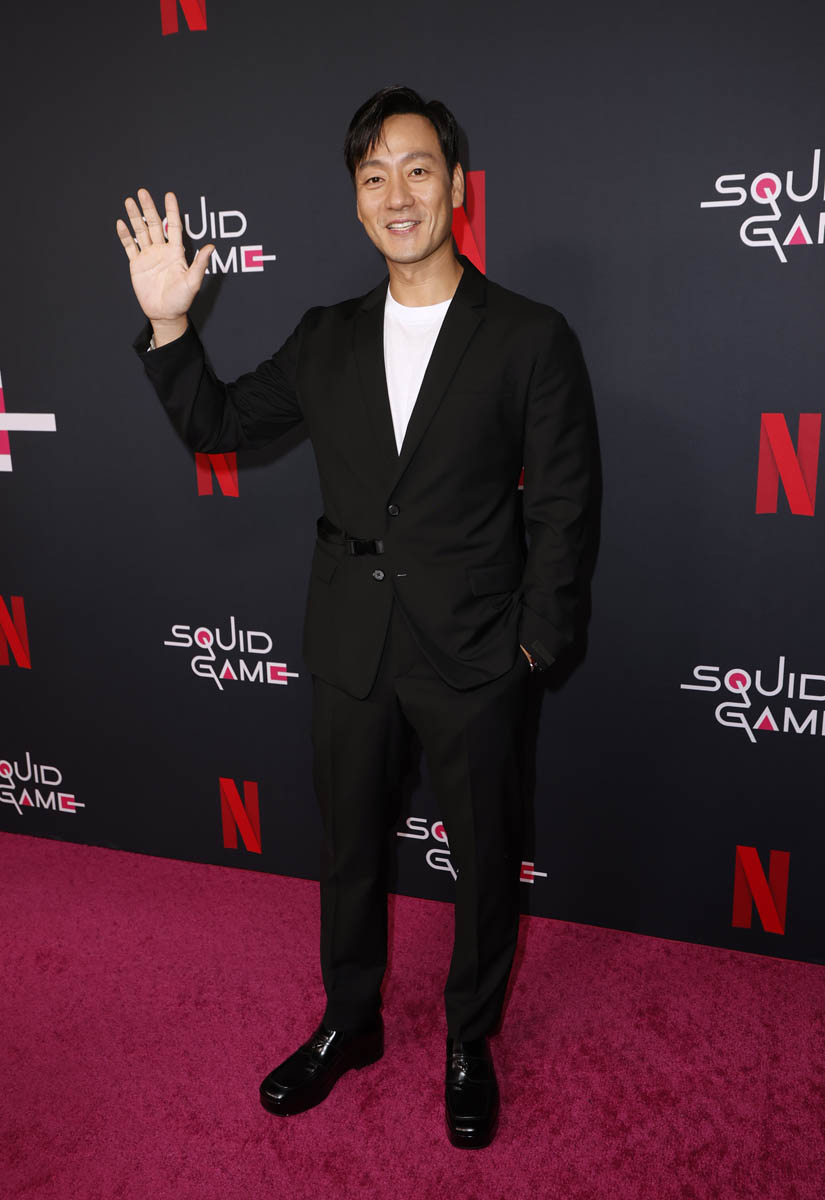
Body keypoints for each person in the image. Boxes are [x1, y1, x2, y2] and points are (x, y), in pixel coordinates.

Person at [117, 85, 593, 1148]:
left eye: (417, 169)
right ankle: (351, 1020)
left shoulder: (529, 336)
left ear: (456, 187)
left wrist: (535, 640)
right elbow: (218, 423)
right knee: (348, 851)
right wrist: (170, 324)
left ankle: (470, 1037)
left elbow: (564, 505)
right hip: (349, 643)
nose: (397, 195)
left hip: (476, 648)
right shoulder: (324, 336)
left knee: (484, 859)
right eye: (374, 176)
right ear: (356, 199)